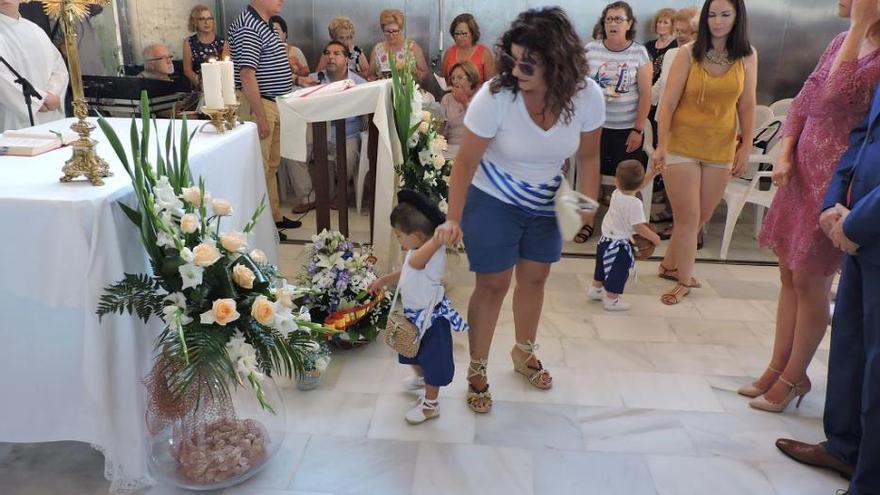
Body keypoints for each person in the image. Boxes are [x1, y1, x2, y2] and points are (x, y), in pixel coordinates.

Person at [433, 7, 605, 414]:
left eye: (530, 60)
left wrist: (586, 207)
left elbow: (591, 158)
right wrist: (453, 217)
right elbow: (464, 163)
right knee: (493, 283)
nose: (518, 68)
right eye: (513, 58)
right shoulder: (497, 95)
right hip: (493, 195)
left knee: (536, 278)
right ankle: (477, 367)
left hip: (547, 195)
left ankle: (523, 352)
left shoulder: (586, 95)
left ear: (557, 59)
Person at [745, 0, 880, 413]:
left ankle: (794, 376)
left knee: (810, 279)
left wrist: (859, 26)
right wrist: (785, 152)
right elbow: (805, 101)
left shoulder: (867, 50)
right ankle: (776, 365)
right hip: (800, 172)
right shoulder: (839, 39)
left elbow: (838, 95)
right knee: (788, 272)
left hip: (835, 179)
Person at [775, 75, 880, 495]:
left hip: (868, 226)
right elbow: (862, 136)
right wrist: (834, 202)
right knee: (851, 346)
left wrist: (857, 221)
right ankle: (845, 447)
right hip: (857, 226)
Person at [653, 0, 757, 305]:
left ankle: (669, 264)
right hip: (681, 145)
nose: (718, 21)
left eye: (725, 14)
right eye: (712, 15)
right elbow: (668, 104)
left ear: (737, 17)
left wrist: (746, 145)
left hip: (721, 147)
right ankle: (684, 279)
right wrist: (661, 145)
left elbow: (747, 104)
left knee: (702, 215)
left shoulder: (748, 55)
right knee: (688, 217)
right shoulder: (688, 54)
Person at [368, 190, 469, 424]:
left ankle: (431, 405)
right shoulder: (418, 249)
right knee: (411, 351)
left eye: (399, 235)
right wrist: (384, 280)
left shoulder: (429, 251)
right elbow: (408, 270)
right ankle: (422, 378)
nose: (398, 240)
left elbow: (413, 264)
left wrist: (438, 238)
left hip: (431, 321)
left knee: (433, 360)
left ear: (418, 236)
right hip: (415, 316)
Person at [228, 0, 302, 240]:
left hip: (275, 102)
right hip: (260, 105)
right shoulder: (249, 26)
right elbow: (247, 74)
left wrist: (298, 80)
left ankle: (274, 217)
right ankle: (260, 229)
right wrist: (259, 116)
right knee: (258, 169)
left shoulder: (266, 23)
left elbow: (269, 65)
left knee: (270, 166)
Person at [582, 1, 652, 244]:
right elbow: (579, 86)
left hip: (625, 129)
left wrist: (638, 129)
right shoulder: (590, 50)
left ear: (629, 24)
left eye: (619, 19)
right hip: (594, 127)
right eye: (609, 19)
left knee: (630, 181)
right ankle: (587, 222)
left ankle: (631, 228)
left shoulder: (639, 52)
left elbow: (646, 94)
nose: (613, 23)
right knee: (588, 176)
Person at [288, 41, 367, 215]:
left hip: (347, 134)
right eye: (327, 53)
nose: (331, 57)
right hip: (318, 133)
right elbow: (294, 97)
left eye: (337, 53)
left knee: (347, 155)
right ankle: (309, 196)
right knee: (293, 152)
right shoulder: (314, 79)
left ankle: (342, 192)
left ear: (346, 59)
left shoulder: (359, 83)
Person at [587, 160, 661, 311]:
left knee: (601, 266)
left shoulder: (616, 193)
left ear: (617, 180)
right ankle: (612, 300)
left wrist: (652, 173)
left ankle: (596, 289)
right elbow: (638, 227)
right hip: (619, 246)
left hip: (605, 240)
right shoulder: (635, 204)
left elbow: (636, 186)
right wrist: (654, 237)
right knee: (617, 272)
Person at [651, 6, 699, 232]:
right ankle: (674, 215)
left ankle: (692, 229)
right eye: (677, 30)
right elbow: (659, 88)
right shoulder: (671, 54)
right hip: (667, 126)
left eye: (685, 31)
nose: (679, 35)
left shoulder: (701, 59)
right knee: (671, 173)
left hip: (690, 129)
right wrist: (638, 102)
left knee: (689, 183)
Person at [0, 0, 68, 132]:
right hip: (14, 119)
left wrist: (52, 94)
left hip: (50, 116)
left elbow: (58, 66)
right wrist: (38, 100)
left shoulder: (35, 30)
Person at [368, 9, 429, 83]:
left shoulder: (412, 47)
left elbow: (425, 73)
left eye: (395, 31)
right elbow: (370, 76)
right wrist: (377, 79)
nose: (391, 35)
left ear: (400, 29)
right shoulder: (377, 50)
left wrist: (414, 74)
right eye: (387, 31)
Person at [439, 13, 495, 84]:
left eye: (464, 34)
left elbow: (489, 84)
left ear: (472, 33)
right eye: (457, 34)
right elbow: (442, 79)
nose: (459, 37)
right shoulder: (449, 52)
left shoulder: (484, 53)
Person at [183, 5, 228, 90]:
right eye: (202, 19)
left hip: (220, 87)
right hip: (199, 88)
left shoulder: (223, 43)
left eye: (209, 18)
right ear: (195, 22)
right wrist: (201, 84)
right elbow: (187, 70)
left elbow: (226, 68)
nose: (206, 22)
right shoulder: (188, 42)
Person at [440, 60, 479, 158]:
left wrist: (464, 100)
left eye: (460, 78)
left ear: (471, 79)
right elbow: (440, 132)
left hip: (474, 149)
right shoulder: (447, 99)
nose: (455, 81)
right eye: (453, 78)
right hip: (450, 149)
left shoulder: (481, 98)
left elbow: (479, 125)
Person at [645, 8, 679, 85]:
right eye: (659, 22)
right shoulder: (648, 45)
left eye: (665, 22)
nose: (661, 25)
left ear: (673, 25)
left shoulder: (676, 46)